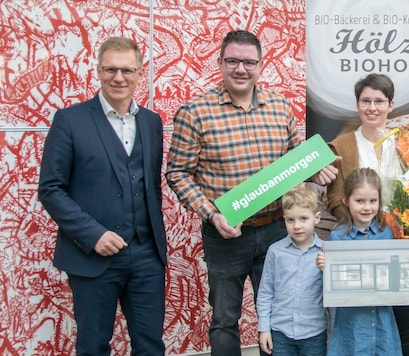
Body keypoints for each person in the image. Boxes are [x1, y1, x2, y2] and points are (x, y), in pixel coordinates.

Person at [165, 30, 336, 356]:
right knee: (224, 319)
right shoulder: (195, 112)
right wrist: (212, 213)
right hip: (225, 234)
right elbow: (178, 174)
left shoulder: (280, 107)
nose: (240, 69)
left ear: (260, 65)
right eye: (232, 61)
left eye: (248, 62)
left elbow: (293, 164)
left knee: (278, 315)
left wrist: (315, 170)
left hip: (277, 230)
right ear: (220, 63)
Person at [38, 37, 167, 355]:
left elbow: (148, 185)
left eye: (126, 70)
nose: (118, 77)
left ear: (139, 72)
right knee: (93, 347)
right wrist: (93, 235)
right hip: (91, 257)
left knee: (151, 346)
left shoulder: (151, 122)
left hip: (147, 256)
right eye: (110, 69)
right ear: (98, 70)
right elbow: (51, 189)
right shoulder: (70, 120)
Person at [326, 73, 409, 355]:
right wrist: (364, 224)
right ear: (357, 104)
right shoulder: (340, 146)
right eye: (366, 101)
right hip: (358, 249)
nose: (372, 107)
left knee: (402, 331)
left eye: (379, 101)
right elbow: (335, 199)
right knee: (359, 331)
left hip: (401, 250)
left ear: (391, 104)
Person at [316, 168, 409, 356]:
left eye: (373, 201)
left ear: (380, 201)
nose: (367, 207)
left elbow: (394, 277)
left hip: (382, 320)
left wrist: (408, 267)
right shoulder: (337, 237)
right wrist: (324, 267)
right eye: (360, 201)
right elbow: (331, 284)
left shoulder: (387, 233)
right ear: (345, 200)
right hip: (351, 323)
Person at [256, 186, 327, 356]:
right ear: (284, 220)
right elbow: (266, 292)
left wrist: (326, 270)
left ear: (316, 218)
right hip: (280, 332)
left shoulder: (325, 252)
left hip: (314, 332)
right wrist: (264, 329)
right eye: (290, 220)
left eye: (303, 219)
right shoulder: (275, 251)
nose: (297, 226)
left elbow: (333, 292)